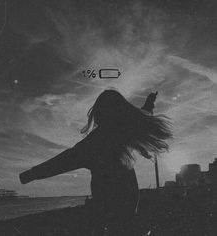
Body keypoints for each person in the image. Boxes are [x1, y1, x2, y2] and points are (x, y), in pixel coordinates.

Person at [19, 89, 172, 235]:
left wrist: (31, 174)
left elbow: (63, 161)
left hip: (109, 210)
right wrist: (150, 102)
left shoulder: (95, 143)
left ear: (99, 112)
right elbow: (144, 113)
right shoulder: (125, 133)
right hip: (128, 209)